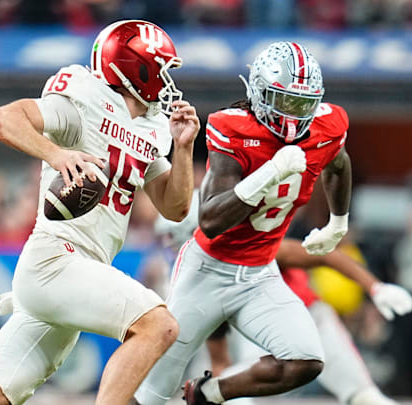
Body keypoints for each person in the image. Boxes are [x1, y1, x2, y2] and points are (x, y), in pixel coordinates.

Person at [0, 19, 200, 405]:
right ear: (134, 66)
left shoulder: (152, 125)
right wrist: (58, 154)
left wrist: (184, 149)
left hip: (80, 269)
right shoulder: (86, 98)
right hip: (56, 261)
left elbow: (175, 206)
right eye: (161, 68)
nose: (167, 80)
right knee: (158, 326)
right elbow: (1, 118)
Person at [135, 41, 353, 405]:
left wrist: (338, 221)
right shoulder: (232, 127)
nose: (294, 113)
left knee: (306, 360)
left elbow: (339, 163)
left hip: (259, 274)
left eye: (303, 103)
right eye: (284, 101)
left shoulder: (328, 125)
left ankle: (209, 393)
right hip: (206, 272)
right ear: (261, 94)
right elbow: (210, 220)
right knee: (149, 395)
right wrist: (269, 172)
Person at [153, 205, 412, 405]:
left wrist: (374, 287)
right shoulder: (196, 280)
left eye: (171, 238)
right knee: (225, 386)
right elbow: (220, 359)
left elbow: (325, 256)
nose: (170, 247)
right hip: (259, 339)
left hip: (309, 319)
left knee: (364, 396)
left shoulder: (249, 248)